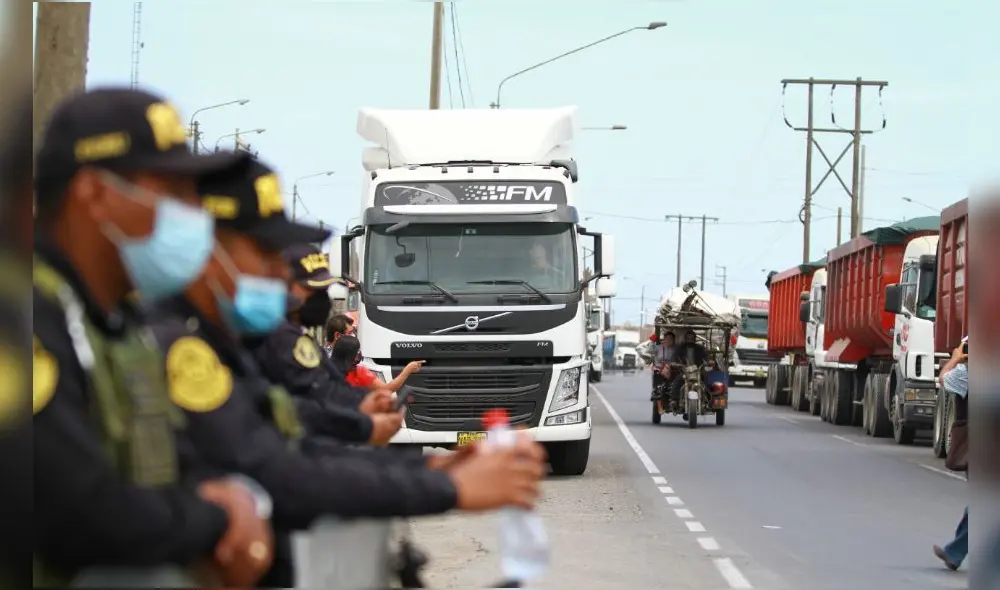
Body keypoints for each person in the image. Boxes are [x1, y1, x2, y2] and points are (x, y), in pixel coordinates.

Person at [144, 155, 548, 587]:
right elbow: (277, 472)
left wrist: (434, 471)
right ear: (205, 252)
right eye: (265, 253)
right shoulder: (176, 345)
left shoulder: (224, 344)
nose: (282, 275)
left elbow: (292, 444)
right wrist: (447, 488)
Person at [32, 87, 273, 588]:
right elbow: (80, 512)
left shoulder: (122, 326)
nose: (194, 214)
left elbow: (176, 463)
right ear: (95, 194)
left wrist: (223, 497)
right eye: (174, 192)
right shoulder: (33, 317)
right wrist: (219, 522)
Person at [244, 238, 398, 446]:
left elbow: (330, 386)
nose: (321, 299)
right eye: (313, 290)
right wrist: (363, 417)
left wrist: (365, 401)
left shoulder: (297, 335)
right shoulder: (280, 338)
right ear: (285, 286)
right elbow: (317, 394)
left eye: (324, 291)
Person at [933, 336, 969, 571]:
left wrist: (955, 359)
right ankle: (954, 551)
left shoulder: (967, 373)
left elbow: (943, 379)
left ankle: (955, 552)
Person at [331, 334, 423, 391]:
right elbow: (388, 389)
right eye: (357, 352)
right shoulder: (360, 372)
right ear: (349, 355)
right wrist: (407, 370)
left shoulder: (324, 370)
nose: (359, 356)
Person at [650, 331, 677, 402]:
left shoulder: (675, 350)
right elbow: (649, 350)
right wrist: (652, 341)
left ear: (674, 340)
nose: (669, 340)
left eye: (671, 339)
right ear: (664, 339)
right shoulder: (658, 348)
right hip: (659, 369)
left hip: (671, 370)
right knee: (657, 374)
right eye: (667, 338)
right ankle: (656, 391)